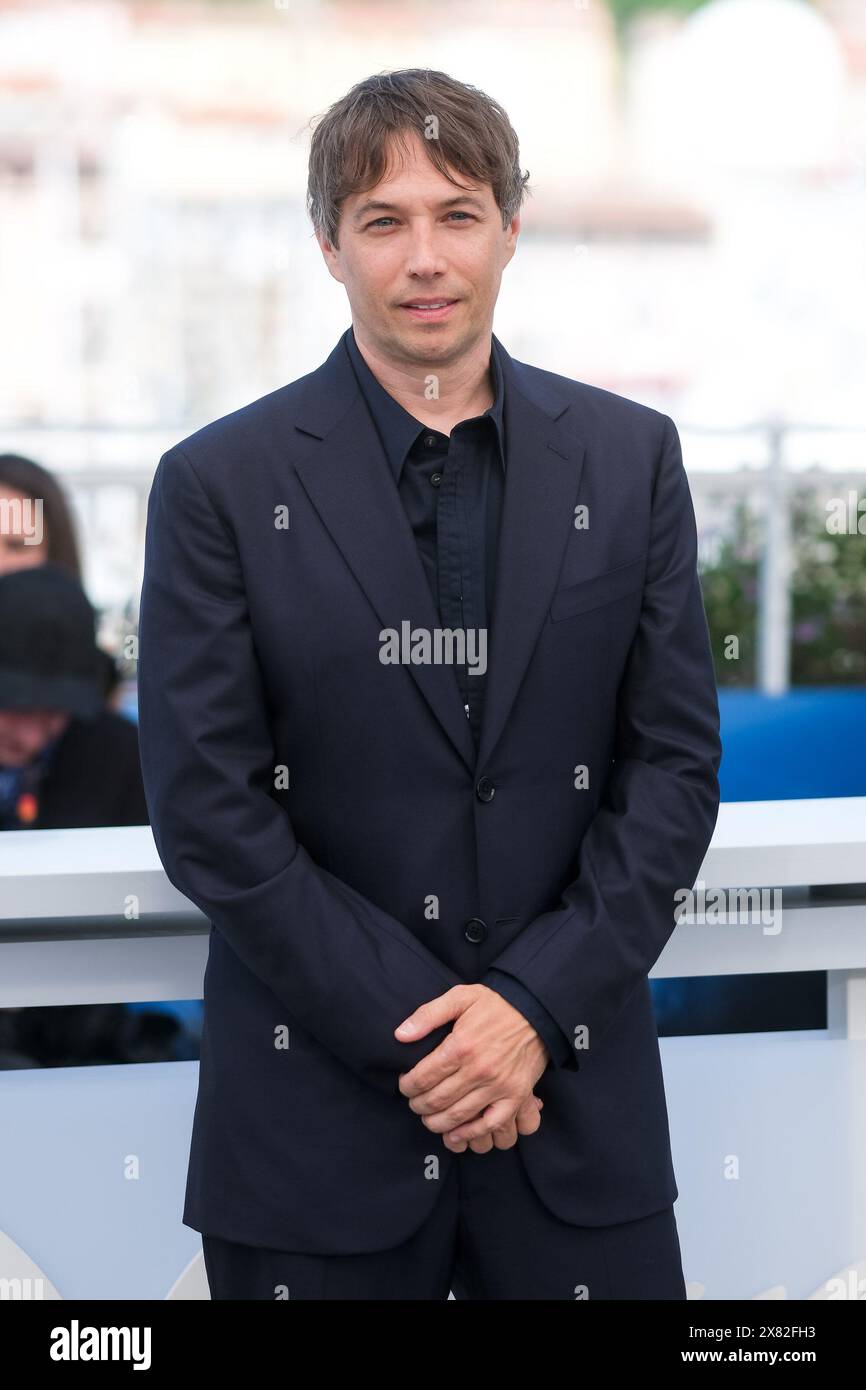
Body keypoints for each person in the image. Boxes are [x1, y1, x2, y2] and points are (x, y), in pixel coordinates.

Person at [136, 69, 722, 1300]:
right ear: (327, 244)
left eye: (456, 213)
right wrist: (448, 1040)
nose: (424, 257)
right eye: (381, 220)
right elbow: (209, 810)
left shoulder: (627, 461)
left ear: (512, 225)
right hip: (311, 1137)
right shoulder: (217, 486)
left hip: (574, 1124)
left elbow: (668, 768)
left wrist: (528, 1008)